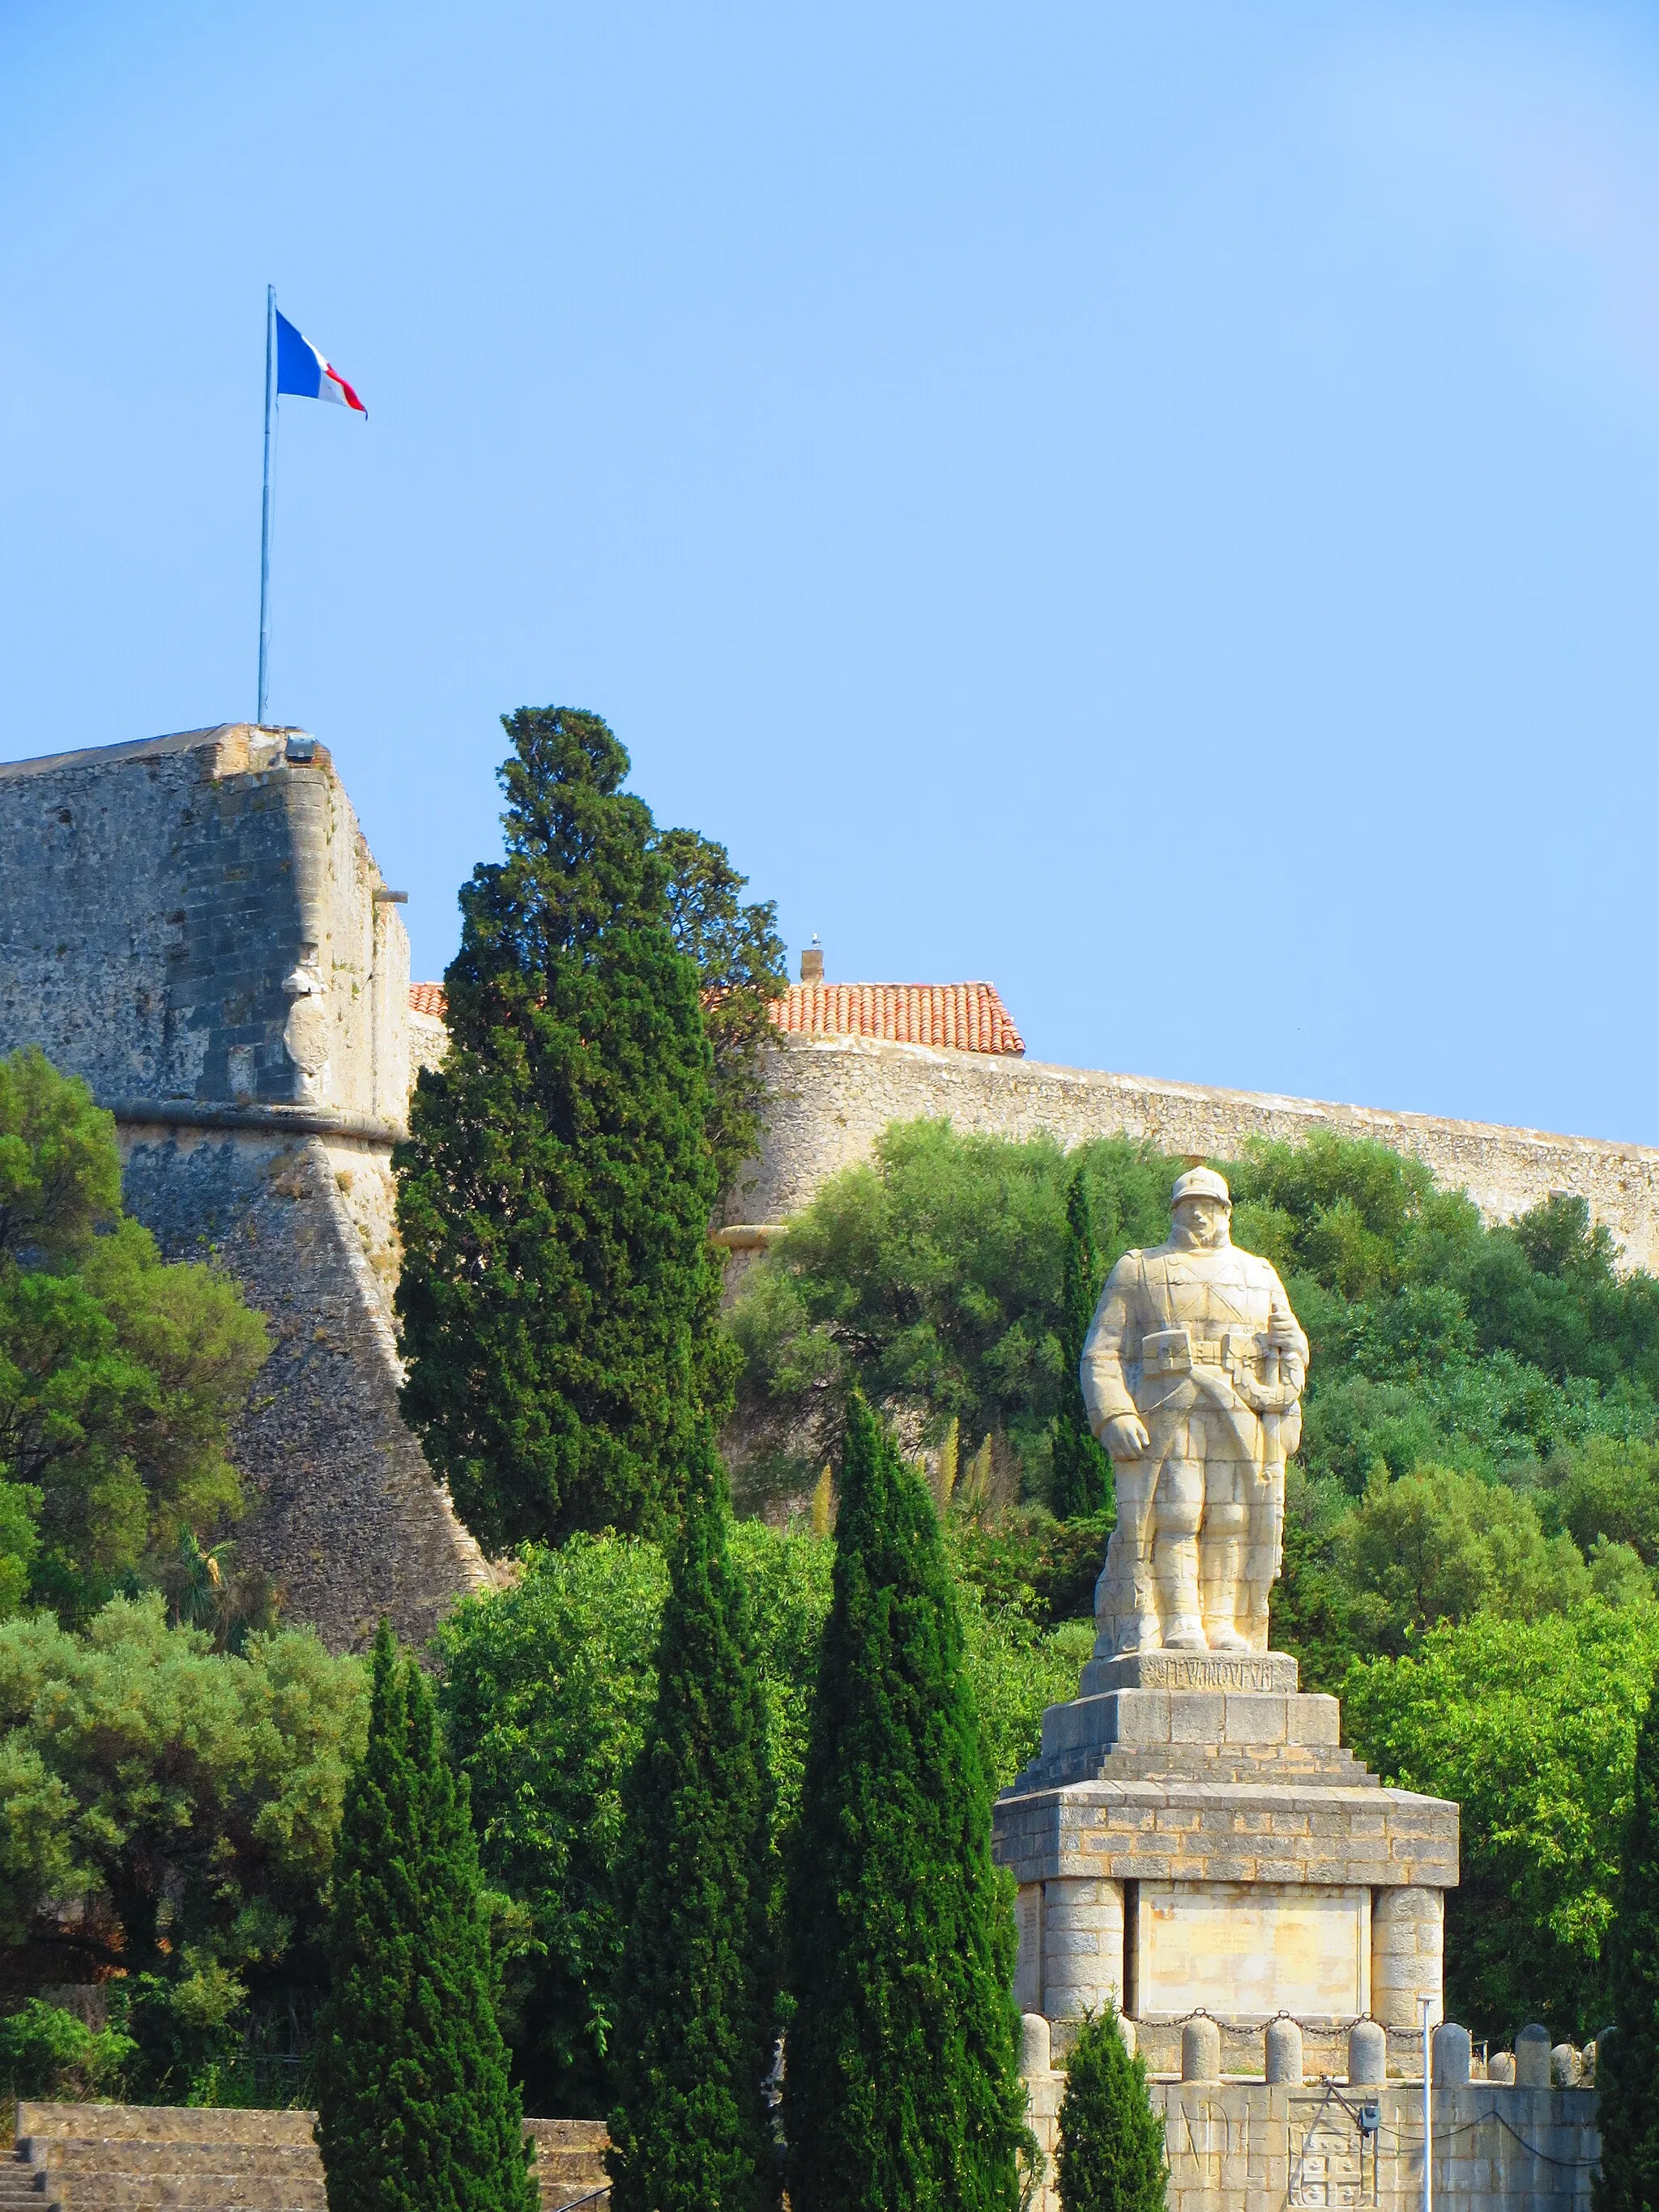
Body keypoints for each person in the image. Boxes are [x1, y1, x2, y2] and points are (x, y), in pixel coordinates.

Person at [1079, 1166, 1307, 1656]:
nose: (1198, 1213)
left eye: (1208, 1204)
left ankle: (1223, 1622)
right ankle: (1180, 1621)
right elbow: (1101, 1351)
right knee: (1176, 1513)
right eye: (1189, 1204)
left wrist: (1296, 1352)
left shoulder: (1258, 1273)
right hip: (1166, 1404)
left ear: (1227, 1211)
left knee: (1230, 1518)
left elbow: (1289, 1349)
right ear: (1175, 1210)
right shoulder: (1139, 1269)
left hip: (1239, 1405)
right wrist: (1114, 1413)